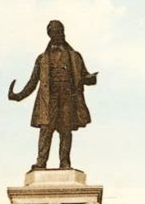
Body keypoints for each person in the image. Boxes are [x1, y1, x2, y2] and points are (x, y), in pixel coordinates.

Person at [8, 20, 97, 169]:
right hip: (49, 99)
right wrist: (18, 96)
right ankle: (41, 161)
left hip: (68, 98)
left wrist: (90, 79)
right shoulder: (42, 59)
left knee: (66, 131)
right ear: (50, 35)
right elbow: (33, 82)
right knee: (45, 130)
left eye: (61, 31)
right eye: (55, 32)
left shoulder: (75, 57)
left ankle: (65, 162)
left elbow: (85, 76)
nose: (59, 34)